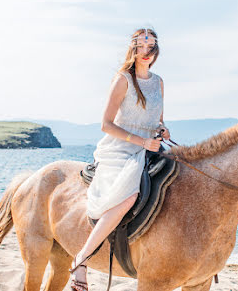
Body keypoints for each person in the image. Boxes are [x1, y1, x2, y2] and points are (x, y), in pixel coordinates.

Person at [69, 28, 170, 291]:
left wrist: (162, 130)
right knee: (127, 196)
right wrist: (142, 141)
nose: (146, 53)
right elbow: (106, 124)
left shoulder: (159, 82)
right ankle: (82, 258)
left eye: (151, 49)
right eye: (142, 48)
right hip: (121, 149)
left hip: (151, 146)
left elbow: (157, 120)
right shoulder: (123, 79)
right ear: (133, 49)